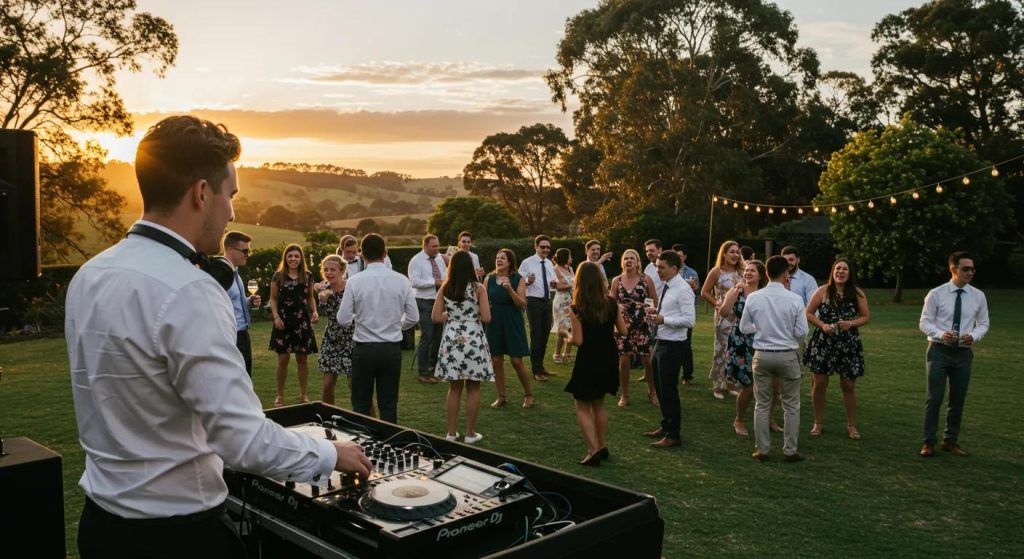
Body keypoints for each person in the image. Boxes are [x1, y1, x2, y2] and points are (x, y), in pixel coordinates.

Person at [65, 115, 369, 558]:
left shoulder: (89, 275)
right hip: (174, 538)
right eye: (230, 195)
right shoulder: (190, 291)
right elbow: (242, 441)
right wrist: (330, 454)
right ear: (201, 193)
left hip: (100, 528)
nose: (231, 211)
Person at [338, 234, 418, 423]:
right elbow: (413, 317)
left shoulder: (355, 281)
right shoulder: (401, 280)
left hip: (364, 349)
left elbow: (343, 319)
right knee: (388, 404)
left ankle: (364, 447)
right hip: (391, 349)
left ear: (361, 254)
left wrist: (360, 318)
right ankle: (389, 446)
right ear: (385, 253)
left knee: (361, 405)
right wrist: (397, 325)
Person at [918, 251, 989, 458]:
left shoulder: (978, 296)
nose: (970, 272)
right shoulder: (936, 293)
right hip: (938, 351)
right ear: (953, 269)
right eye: (965, 268)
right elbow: (924, 322)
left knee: (957, 399)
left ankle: (950, 441)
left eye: (972, 269)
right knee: (935, 398)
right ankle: (928, 442)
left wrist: (974, 336)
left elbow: (983, 323)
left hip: (963, 353)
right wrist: (941, 334)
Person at [739, 255, 809, 463]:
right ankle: (790, 450)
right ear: (786, 273)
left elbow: (744, 328)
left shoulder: (754, 297)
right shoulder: (794, 299)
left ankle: (762, 449)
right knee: (791, 405)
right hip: (787, 354)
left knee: (761, 403)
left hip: (762, 354)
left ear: (766, 273)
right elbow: (802, 331)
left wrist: (759, 329)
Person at [567, 262, 629, 466]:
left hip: (588, 358)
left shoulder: (577, 308)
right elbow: (624, 332)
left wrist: (565, 335)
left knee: (582, 404)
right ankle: (602, 446)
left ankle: (593, 450)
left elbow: (578, 340)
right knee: (599, 402)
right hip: (609, 356)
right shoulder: (611, 303)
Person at [804, 258, 870, 439]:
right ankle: (818, 423)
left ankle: (851, 425)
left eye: (844, 269)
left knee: (848, 385)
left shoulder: (857, 293)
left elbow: (865, 317)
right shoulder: (822, 291)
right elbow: (808, 313)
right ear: (833, 271)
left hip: (848, 344)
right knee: (819, 383)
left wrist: (851, 323)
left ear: (850, 274)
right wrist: (822, 325)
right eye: (837, 268)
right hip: (824, 343)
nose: (840, 272)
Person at [432, 251, 493, 443]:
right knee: (473, 387)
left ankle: (451, 432)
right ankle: (469, 433)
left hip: (452, 340)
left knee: (454, 387)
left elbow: (435, 317)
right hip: (473, 337)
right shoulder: (478, 288)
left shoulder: (445, 287)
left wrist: (451, 316)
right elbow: (486, 318)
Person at [642, 250, 696, 449]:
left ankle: (674, 434)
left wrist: (664, 319)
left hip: (673, 346)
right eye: (657, 266)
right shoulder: (668, 286)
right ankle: (665, 426)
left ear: (674, 268)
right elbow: (672, 312)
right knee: (660, 387)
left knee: (669, 390)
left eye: (662, 267)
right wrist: (656, 312)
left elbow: (690, 320)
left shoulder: (683, 289)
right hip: (661, 341)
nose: (658, 270)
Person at [721, 260, 767, 437]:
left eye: (752, 271)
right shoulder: (737, 290)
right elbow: (724, 312)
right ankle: (739, 419)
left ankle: (768, 419)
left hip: (762, 339)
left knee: (768, 384)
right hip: (740, 341)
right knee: (747, 384)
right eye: (746, 270)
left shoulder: (765, 293)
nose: (748, 273)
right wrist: (732, 295)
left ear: (761, 275)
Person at [269, 243, 319, 407]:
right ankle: (280, 396)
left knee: (302, 358)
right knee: (283, 358)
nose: (293, 258)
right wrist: (276, 317)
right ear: (286, 257)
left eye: (296, 256)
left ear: (301, 258)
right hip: (282, 321)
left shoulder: (308, 275)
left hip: (302, 321)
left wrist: (315, 311)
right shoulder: (278, 276)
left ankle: (303, 394)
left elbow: (310, 297)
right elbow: (273, 299)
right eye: (290, 255)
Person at [486, 248, 535, 408]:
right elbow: (484, 301)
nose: (499, 260)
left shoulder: (518, 279)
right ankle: (501, 396)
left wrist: (509, 289)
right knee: (496, 360)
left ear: (509, 262)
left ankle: (528, 395)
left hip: (512, 321)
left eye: (503, 258)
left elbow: (522, 303)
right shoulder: (489, 278)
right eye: (497, 257)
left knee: (516, 361)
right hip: (494, 322)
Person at [610, 249, 658, 407]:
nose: (628, 260)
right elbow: (611, 302)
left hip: (641, 324)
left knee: (647, 361)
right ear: (622, 262)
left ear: (638, 262)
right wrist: (617, 305)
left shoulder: (646, 279)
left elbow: (654, 302)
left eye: (632, 258)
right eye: (626, 258)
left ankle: (652, 392)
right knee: (624, 361)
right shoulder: (616, 280)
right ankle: (624, 395)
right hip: (623, 324)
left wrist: (646, 307)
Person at [701, 240, 744, 398]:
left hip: (739, 316)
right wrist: (717, 304)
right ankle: (717, 385)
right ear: (724, 254)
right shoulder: (716, 271)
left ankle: (731, 383)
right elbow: (704, 292)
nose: (735, 254)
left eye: (737, 252)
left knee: (735, 350)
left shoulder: (742, 271)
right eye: (731, 251)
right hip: (723, 316)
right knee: (721, 350)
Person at [317, 255, 357, 407]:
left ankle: (370, 420)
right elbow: (321, 307)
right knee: (327, 385)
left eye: (333, 270)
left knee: (355, 386)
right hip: (331, 339)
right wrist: (322, 297)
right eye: (326, 270)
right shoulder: (324, 290)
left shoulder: (351, 287)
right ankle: (328, 417)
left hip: (351, 339)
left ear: (342, 271)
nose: (329, 273)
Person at [519, 235, 558, 381]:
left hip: (547, 301)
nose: (546, 249)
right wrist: (528, 281)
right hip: (533, 301)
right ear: (536, 247)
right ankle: (536, 371)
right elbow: (520, 282)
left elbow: (553, 280)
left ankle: (541, 367)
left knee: (545, 334)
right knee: (536, 335)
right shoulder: (527, 263)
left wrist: (554, 283)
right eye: (543, 247)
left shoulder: (549, 263)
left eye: (548, 247)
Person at [221, 230, 260, 377]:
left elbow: (234, 301)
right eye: (245, 251)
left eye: (249, 251)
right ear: (231, 250)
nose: (247, 255)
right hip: (231, 336)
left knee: (246, 377)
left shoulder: (235, 272)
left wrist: (248, 302)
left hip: (243, 334)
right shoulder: (222, 275)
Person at [409, 234, 447, 384]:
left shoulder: (438, 258)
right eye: (434, 246)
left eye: (438, 246)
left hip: (439, 301)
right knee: (427, 335)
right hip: (423, 302)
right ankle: (423, 372)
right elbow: (414, 281)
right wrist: (434, 282)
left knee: (438, 336)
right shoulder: (416, 261)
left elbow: (444, 275)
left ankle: (434, 369)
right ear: (425, 246)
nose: (437, 249)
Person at [672, 243, 700, 385]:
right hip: (671, 313)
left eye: (680, 256)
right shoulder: (668, 272)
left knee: (686, 345)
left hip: (685, 313)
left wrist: (692, 288)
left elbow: (696, 294)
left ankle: (687, 376)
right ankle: (672, 373)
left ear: (685, 257)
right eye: (675, 255)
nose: (678, 258)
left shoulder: (692, 273)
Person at [551, 247, 575, 364]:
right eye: (570, 256)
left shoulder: (570, 269)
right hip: (561, 302)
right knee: (562, 328)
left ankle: (567, 353)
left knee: (571, 327)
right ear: (565, 257)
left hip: (571, 301)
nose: (571, 258)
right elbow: (557, 287)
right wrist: (572, 285)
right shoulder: (555, 269)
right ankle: (557, 353)